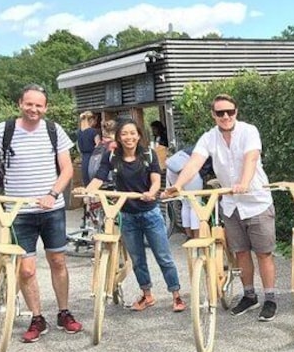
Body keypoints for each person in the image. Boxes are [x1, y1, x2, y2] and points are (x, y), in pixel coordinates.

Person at [0, 84, 82, 343]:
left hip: (51, 209)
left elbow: (67, 169)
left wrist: (53, 194)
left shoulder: (53, 130)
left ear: (45, 107)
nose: (34, 109)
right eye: (29, 104)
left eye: (39, 105)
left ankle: (64, 311)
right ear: (20, 104)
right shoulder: (4, 131)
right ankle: (37, 317)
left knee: (58, 261)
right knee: (26, 270)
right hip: (18, 212)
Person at [166, 94, 279, 322]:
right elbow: (195, 162)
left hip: (256, 201)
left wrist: (245, 183)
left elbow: (251, 159)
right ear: (214, 115)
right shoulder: (209, 138)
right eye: (220, 113)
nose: (226, 116)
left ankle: (270, 298)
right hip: (231, 204)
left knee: (264, 253)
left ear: (236, 112)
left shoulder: (249, 131)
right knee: (240, 252)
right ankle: (249, 295)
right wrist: (177, 185)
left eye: (230, 112)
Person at [84, 120, 185, 312]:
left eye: (132, 133)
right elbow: (99, 177)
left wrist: (151, 192)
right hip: (127, 215)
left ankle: (176, 295)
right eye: (124, 134)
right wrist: (87, 191)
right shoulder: (112, 156)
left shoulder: (148, 154)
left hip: (150, 213)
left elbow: (156, 180)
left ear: (139, 135)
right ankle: (147, 295)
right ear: (118, 137)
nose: (129, 137)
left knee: (163, 256)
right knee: (137, 259)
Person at [164, 144, 213, 240]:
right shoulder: (215, 149)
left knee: (186, 202)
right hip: (187, 168)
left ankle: (189, 235)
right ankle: (197, 237)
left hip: (172, 167)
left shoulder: (198, 145)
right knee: (195, 203)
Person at [77, 111, 100, 186]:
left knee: (86, 179)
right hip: (93, 157)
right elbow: (98, 145)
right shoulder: (93, 131)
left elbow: (79, 147)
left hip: (84, 158)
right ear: (91, 120)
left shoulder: (79, 132)